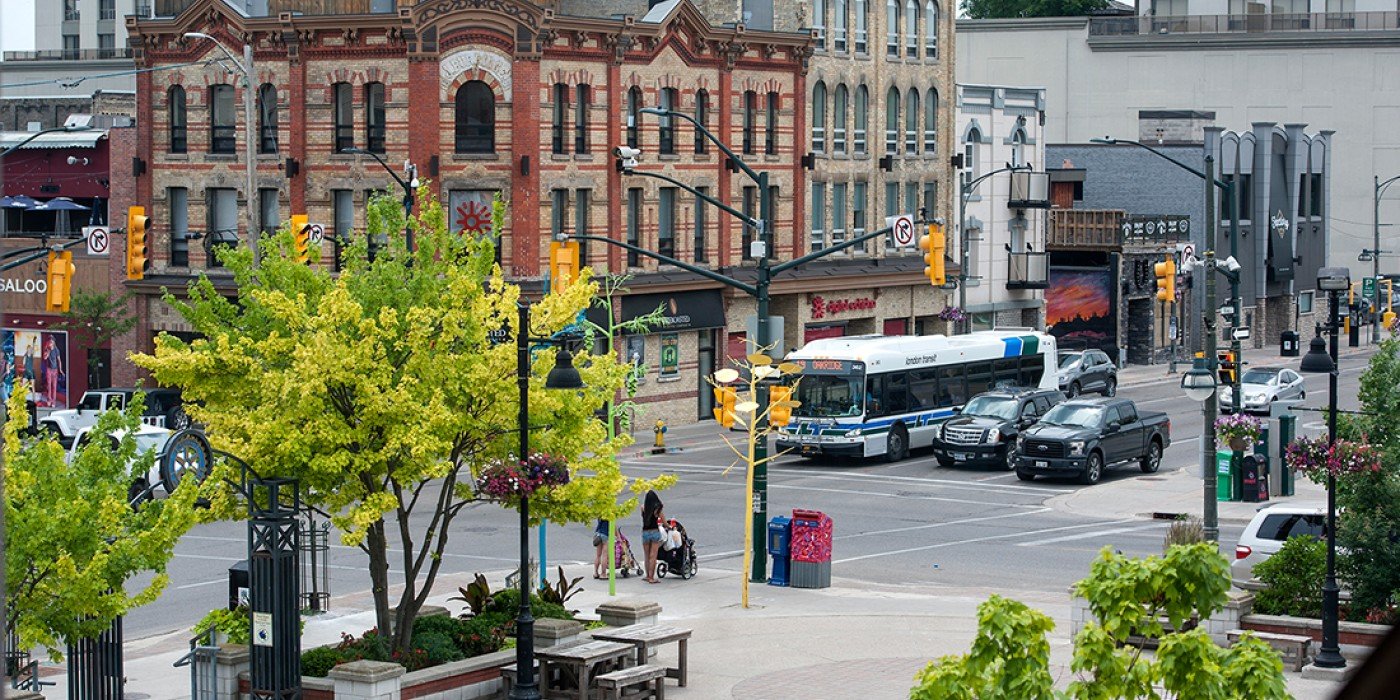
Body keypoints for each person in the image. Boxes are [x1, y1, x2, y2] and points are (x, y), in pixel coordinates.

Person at [641, 490, 664, 583]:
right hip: (655, 532)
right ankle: (651, 577)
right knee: (653, 556)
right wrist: (668, 526)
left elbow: (644, 518)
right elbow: (663, 521)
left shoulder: (643, 508)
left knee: (646, 555)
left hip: (645, 532)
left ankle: (647, 576)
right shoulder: (657, 509)